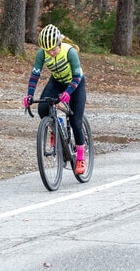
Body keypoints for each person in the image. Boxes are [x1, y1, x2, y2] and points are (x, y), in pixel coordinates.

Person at [23, 24, 87, 175]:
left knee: (75, 121)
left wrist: (68, 92)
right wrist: (30, 94)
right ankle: (55, 127)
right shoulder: (42, 53)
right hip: (57, 81)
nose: (50, 53)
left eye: (53, 49)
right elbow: (35, 74)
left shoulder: (70, 52)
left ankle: (80, 158)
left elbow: (77, 76)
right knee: (43, 108)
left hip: (75, 84)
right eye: (47, 50)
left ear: (59, 44)